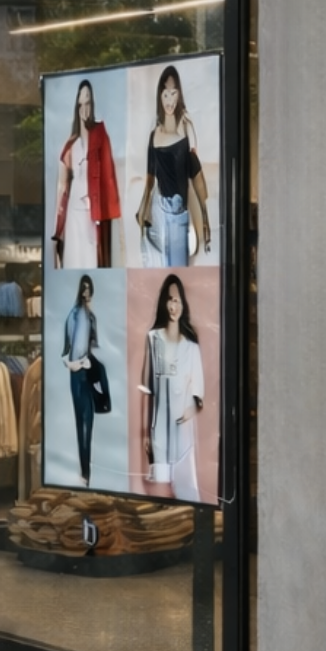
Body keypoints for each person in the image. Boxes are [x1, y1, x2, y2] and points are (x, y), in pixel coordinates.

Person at [135, 65, 209, 267]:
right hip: (160, 213)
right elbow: (150, 179)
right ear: (160, 96)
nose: (169, 100)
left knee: (178, 270)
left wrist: (205, 217)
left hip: (180, 215)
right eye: (165, 94)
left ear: (179, 94)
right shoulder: (154, 135)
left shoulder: (186, 129)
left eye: (173, 93)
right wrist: (142, 211)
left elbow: (197, 175)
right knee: (158, 270)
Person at [140, 273, 205, 502]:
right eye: (169, 299)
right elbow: (147, 389)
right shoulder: (153, 339)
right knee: (160, 495)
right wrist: (146, 432)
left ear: (183, 304)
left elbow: (199, 393)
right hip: (159, 431)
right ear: (163, 302)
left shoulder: (191, 346)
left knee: (186, 493)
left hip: (183, 435)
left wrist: (189, 410)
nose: (173, 305)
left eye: (177, 300)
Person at [53, 79, 120, 269]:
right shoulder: (70, 145)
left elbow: (108, 178)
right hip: (74, 210)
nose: (84, 109)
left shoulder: (100, 135)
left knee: (93, 260)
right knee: (74, 259)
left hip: (93, 211)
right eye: (81, 104)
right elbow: (62, 187)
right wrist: (57, 229)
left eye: (88, 103)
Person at [63, 273, 102, 485]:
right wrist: (74, 364)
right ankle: (85, 473)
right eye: (84, 288)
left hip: (88, 370)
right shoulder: (74, 315)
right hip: (77, 373)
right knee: (81, 422)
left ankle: (87, 472)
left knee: (89, 422)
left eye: (89, 288)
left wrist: (90, 362)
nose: (86, 292)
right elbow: (66, 349)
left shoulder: (91, 317)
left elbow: (95, 346)